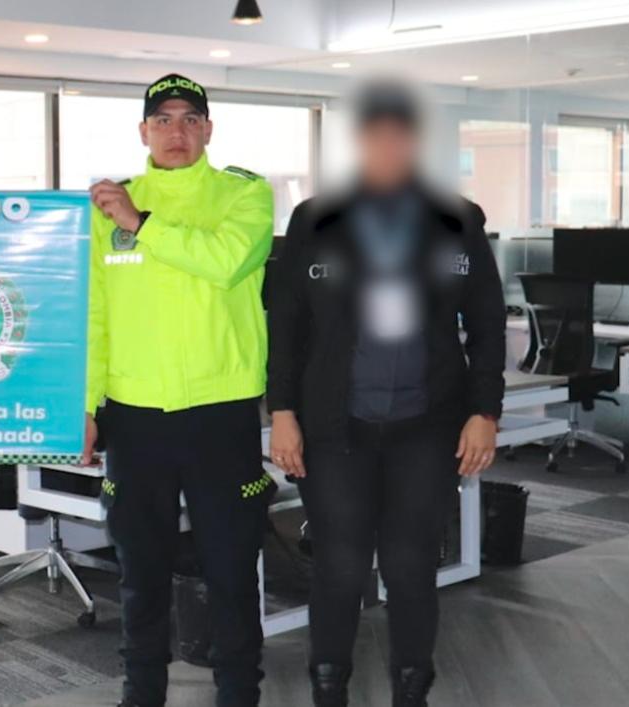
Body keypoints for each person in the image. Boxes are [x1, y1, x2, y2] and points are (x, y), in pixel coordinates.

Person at [266, 79, 505, 707]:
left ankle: (411, 692)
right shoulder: (314, 219)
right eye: (377, 133)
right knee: (339, 570)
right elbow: (285, 325)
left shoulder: (458, 220)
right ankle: (328, 691)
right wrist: (281, 412)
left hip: (426, 427)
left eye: (402, 133)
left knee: (410, 567)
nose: (389, 144)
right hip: (334, 427)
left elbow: (485, 322)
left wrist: (485, 412)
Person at [84, 73, 277, 707]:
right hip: (136, 418)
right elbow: (96, 317)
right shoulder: (106, 208)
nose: (176, 131)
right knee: (140, 575)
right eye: (163, 120)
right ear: (143, 131)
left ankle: (238, 694)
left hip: (219, 414)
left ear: (209, 130)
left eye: (190, 119)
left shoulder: (242, 196)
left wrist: (140, 223)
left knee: (228, 571)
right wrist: (87, 405)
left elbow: (225, 261)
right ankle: (141, 694)